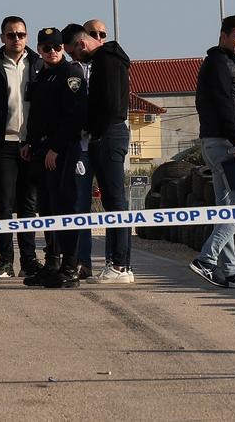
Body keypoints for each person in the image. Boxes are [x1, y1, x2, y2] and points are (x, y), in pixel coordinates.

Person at [190, 14, 235, 289]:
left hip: (215, 143)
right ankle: (206, 260)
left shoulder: (220, 62)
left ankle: (230, 269)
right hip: (230, 145)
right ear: (223, 36)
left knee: (225, 211)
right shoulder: (221, 63)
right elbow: (224, 104)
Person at [66, 19, 134, 283]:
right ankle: (116, 264)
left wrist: (90, 128)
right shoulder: (105, 60)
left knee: (116, 201)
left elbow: (108, 104)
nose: (75, 57)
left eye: (74, 52)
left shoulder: (106, 62)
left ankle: (119, 265)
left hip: (107, 134)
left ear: (82, 43)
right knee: (111, 201)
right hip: (107, 133)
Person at [23, 26, 86, 287]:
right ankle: (52, 264)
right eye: (46, 48)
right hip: (41, 150)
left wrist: (55, 149)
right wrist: (30, 143)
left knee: (65, 208)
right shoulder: (41, 75)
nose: (52, 52)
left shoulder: (70, 73)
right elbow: (37, 116)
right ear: (39, 49)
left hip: (62, 151)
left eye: (57, 47)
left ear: (64, 48)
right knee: (46, 209)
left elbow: (74, 115)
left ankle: (70, 267)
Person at [0, 15, 40, 279]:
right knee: (4, 205)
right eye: (11, 35)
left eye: (21, 35)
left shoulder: (39, 64)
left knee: (28, 205)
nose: (16, 39)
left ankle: (29, 260)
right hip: (3, 144)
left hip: (31, 145)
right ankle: (5, 260)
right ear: (1, 37)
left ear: (27, 37)